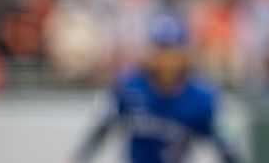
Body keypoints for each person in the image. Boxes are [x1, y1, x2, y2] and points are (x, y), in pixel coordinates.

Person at [70, 11, 240, 163]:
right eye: (160, 48)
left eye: (172, 50)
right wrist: (77, 159)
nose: (166, 58)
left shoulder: (203, 97)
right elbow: (101, 128)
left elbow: (226, 145)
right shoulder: (128, 86)